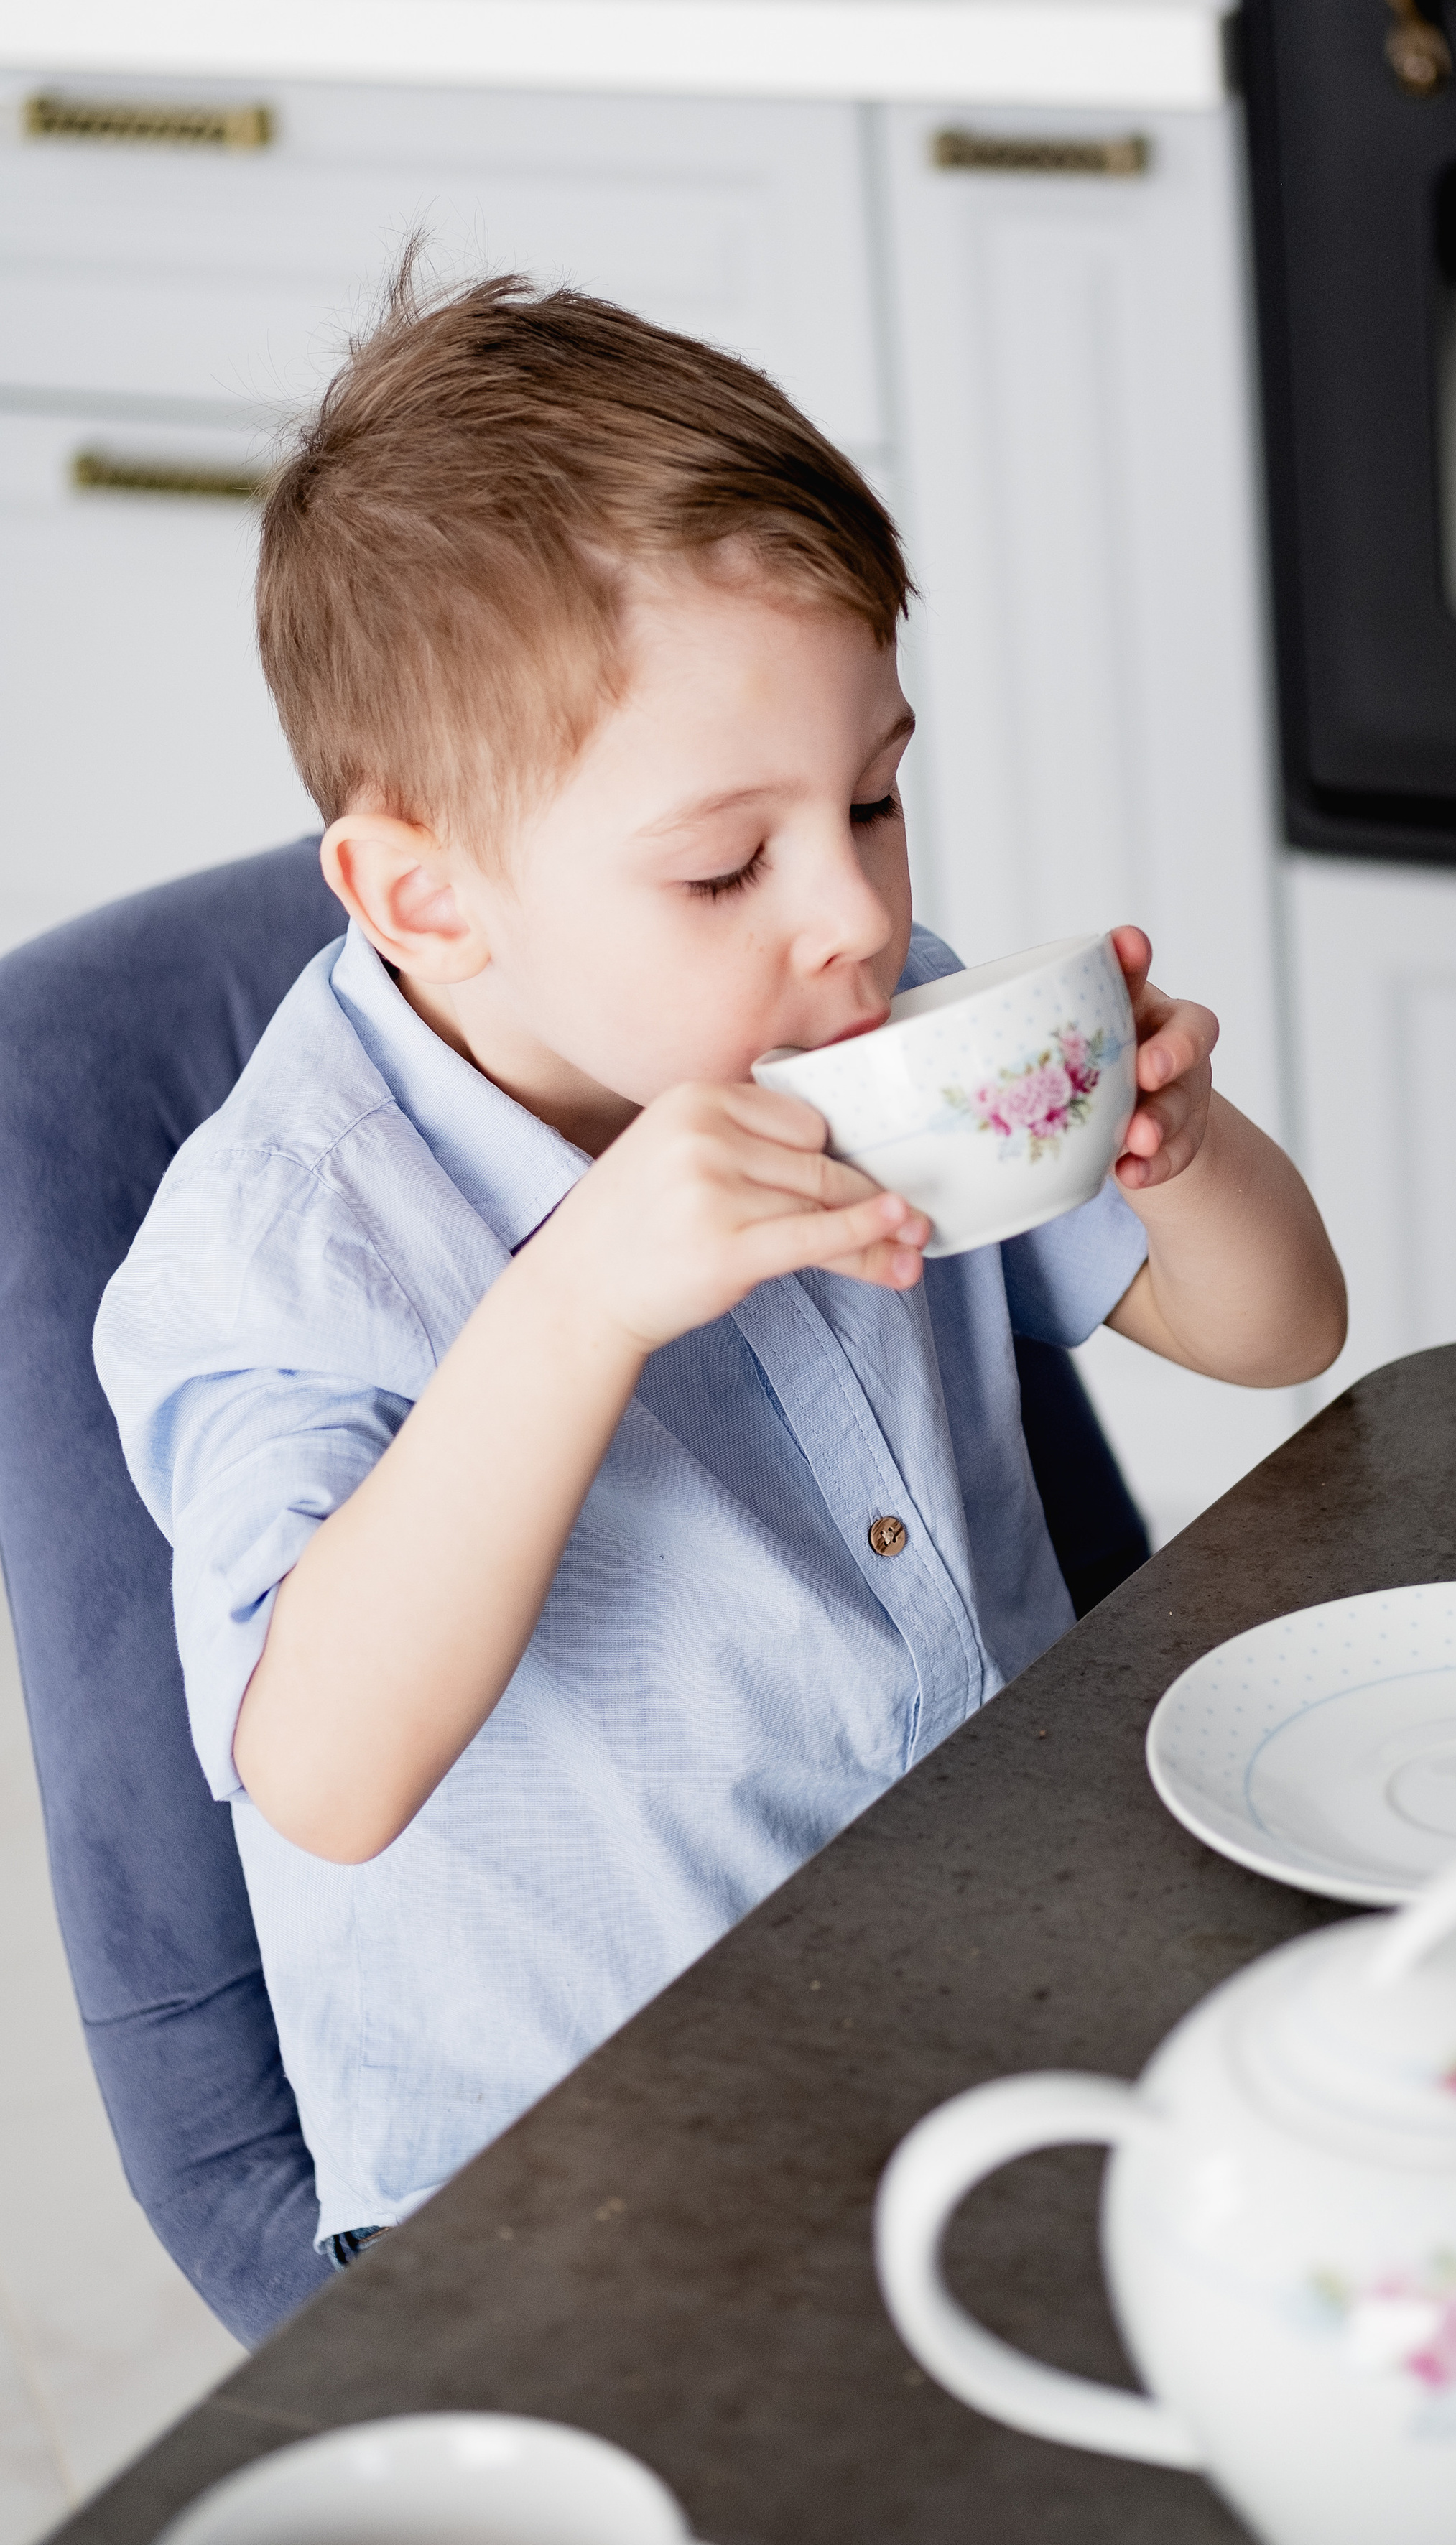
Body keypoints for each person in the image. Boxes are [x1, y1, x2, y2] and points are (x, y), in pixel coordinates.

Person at [95, 269, 1345, 2261]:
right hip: (588, 2185)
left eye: (871, 797)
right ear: (424, 897)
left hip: (1000, 1992)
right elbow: (322, 1773)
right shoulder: (290, 1243)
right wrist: (581, 1298)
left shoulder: (876, 1031)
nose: (855, 910)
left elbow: (1280, 1332)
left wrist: (1174, 1149)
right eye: (725, 863)